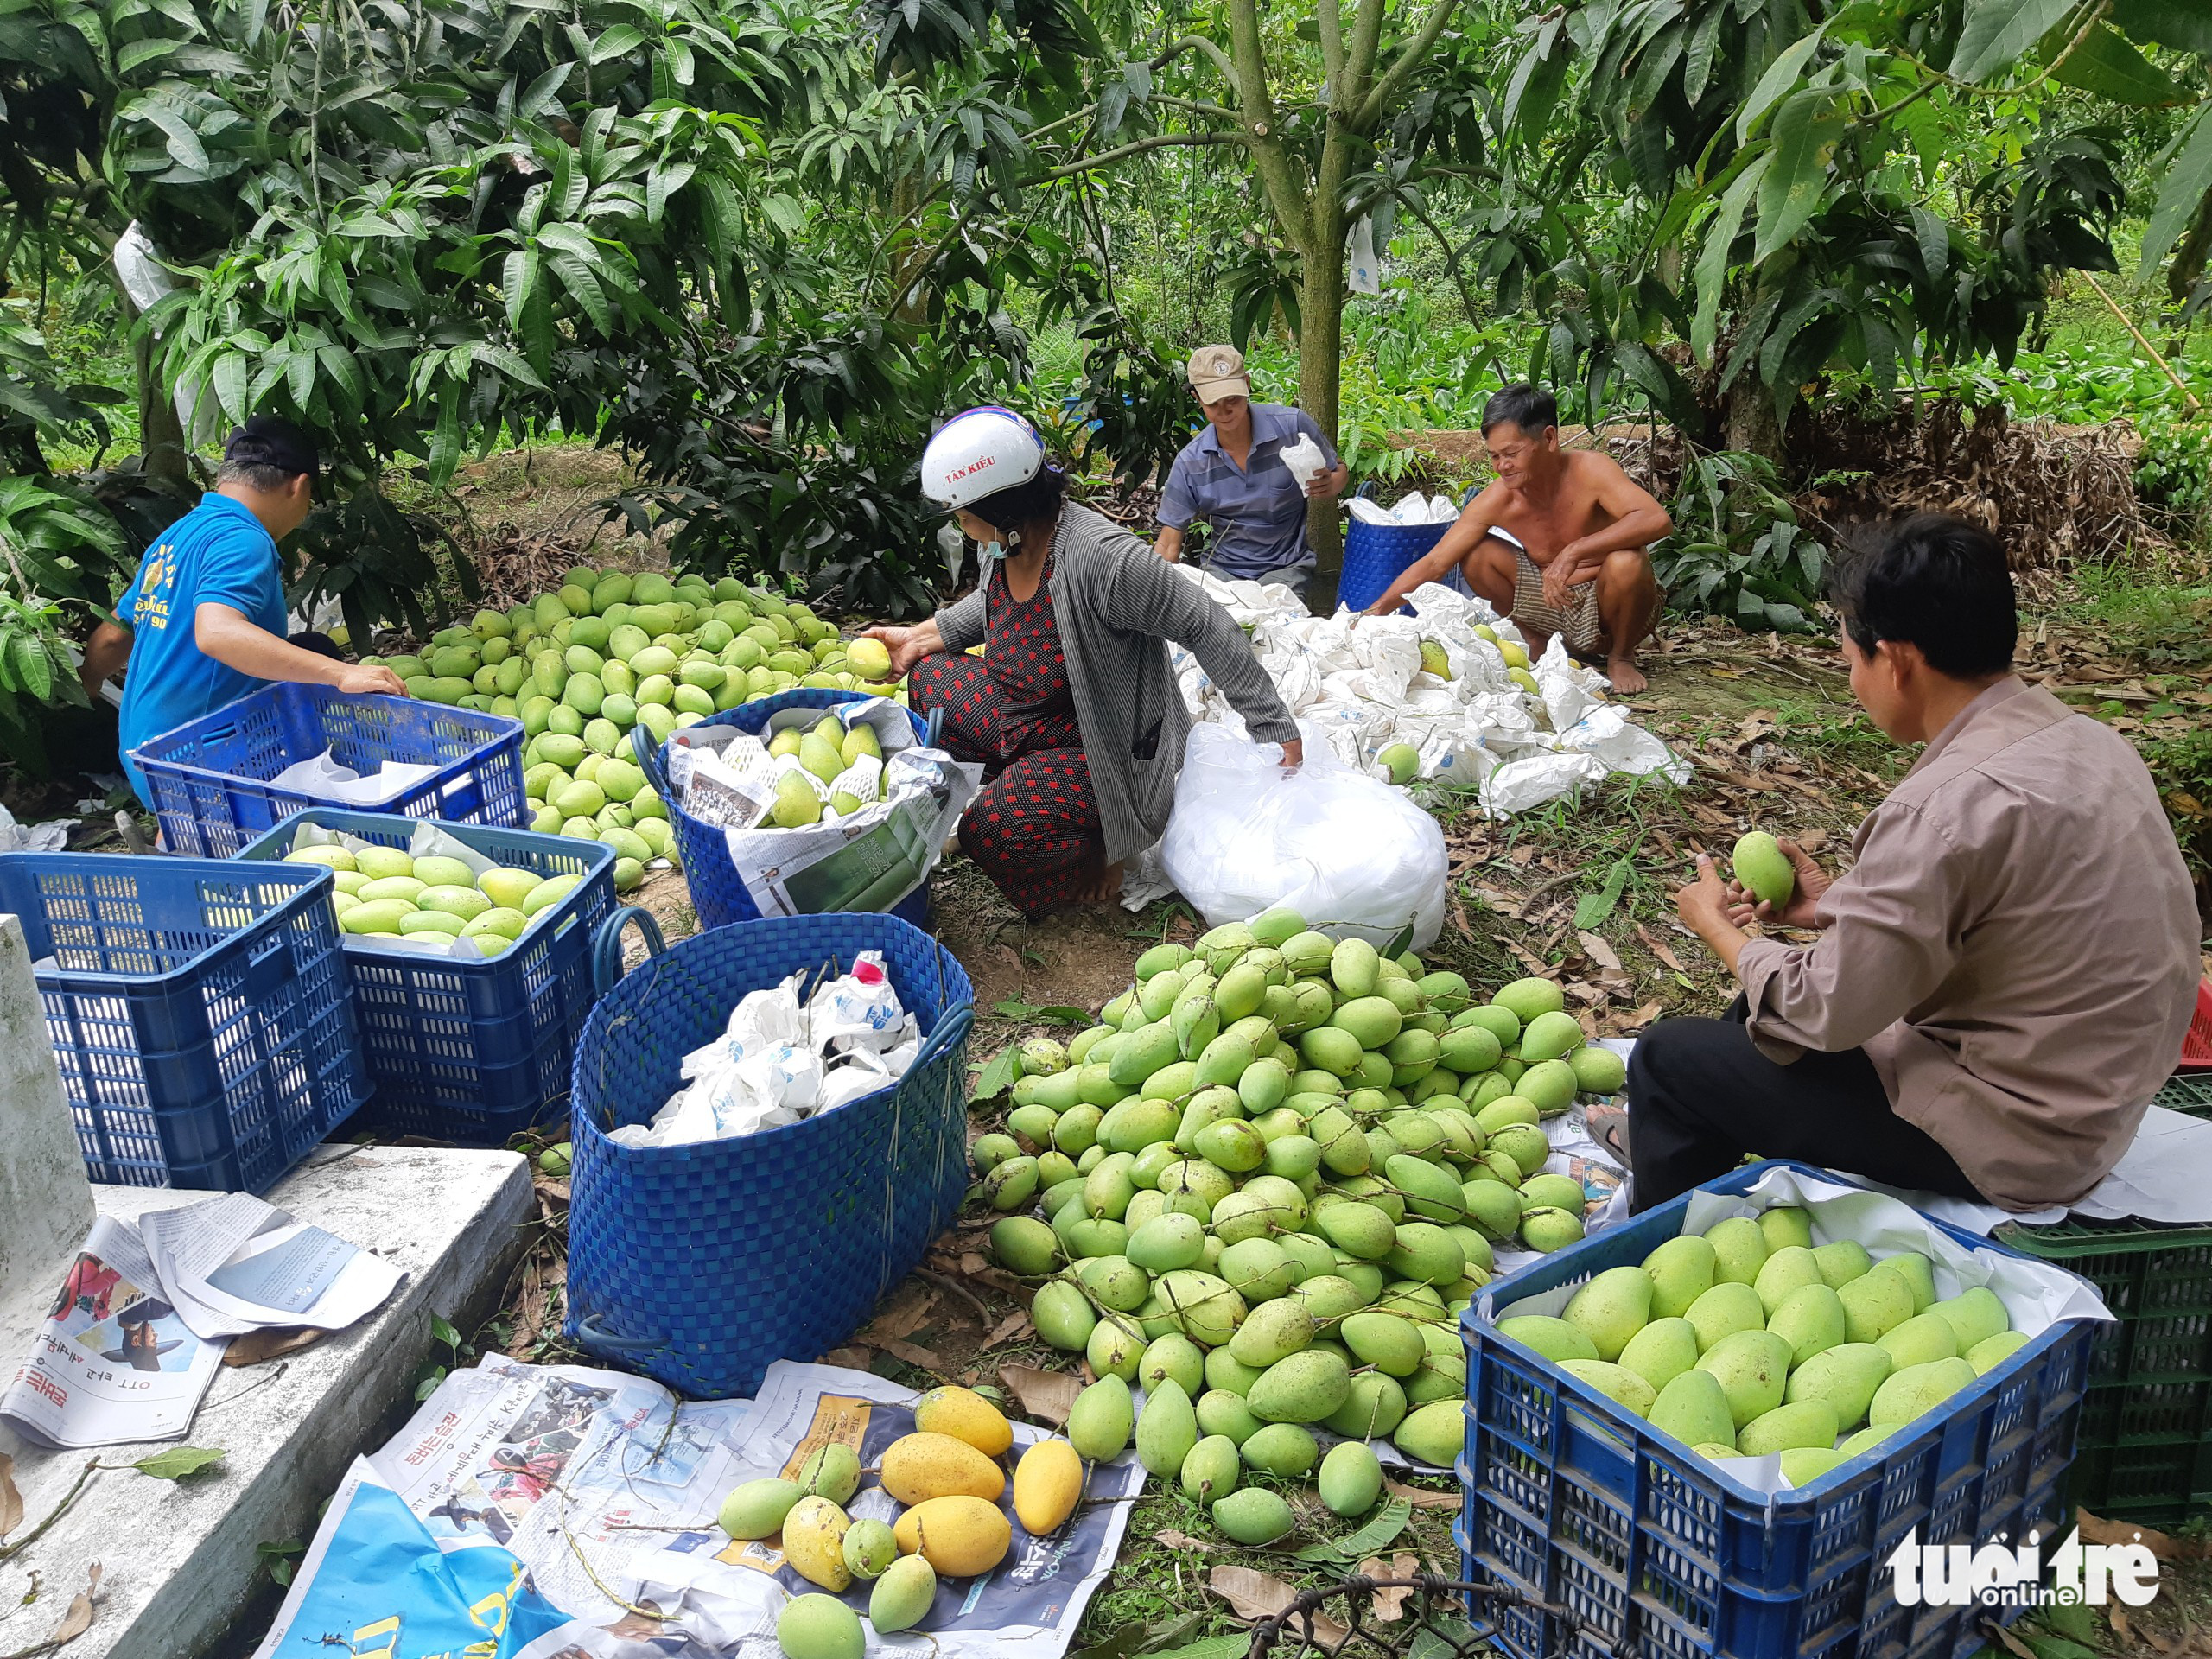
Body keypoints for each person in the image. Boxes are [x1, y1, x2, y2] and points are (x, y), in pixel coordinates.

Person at [1591, 516, 2199, 1213]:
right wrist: (1832, 908)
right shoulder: (2086, 741)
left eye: (1851, 657)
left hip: (2014, 1139)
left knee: (1669, 1061)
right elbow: (2008, 910)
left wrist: (1722, 931)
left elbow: (1827, 1012)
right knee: (1751, 1013)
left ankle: (1660, 1249)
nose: (1852, 678)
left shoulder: (1940, 807)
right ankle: (1679, 1143)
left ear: (1897, 660)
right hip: (2090, 1106)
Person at [865, 406, 1301, 919]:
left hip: (1107, 749)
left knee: (992, 830)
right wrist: (920, 637)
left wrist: (1273, 724)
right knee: (930, 680)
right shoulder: (1004, 544)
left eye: (963, 511)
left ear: (1005, 506)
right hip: (1031, 715)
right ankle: (1029, 789)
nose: (958, 522)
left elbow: (1205, 622)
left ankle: (1099, 842)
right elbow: (991, 606)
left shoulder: (1102, 560)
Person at [78, 416, 406, 802]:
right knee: (325, 674)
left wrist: (88, 681)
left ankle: (173, 831)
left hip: (143, 754)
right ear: (299, 486)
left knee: (314, 646)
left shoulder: (178, 534)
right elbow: (217, 632)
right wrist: (341, 675)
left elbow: (116, 632)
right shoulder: (243, 539)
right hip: (197, 760)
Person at [1361, 385, 1667, 692]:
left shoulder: (1592, 470)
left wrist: (1573, 552)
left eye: (1511, 453)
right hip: (1552, 605)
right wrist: (1378, 610)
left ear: (1549, 438)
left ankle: (1621, 657)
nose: (1502, 466)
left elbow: (1656, 519)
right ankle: (1536, 641)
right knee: (1476, 555)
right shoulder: (1499, 498)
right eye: (1494, 456)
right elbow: (1436, 562)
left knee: (1627, 560)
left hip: (1614, 608)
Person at [1154, 346, 1349, 597]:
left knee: (1275, 627)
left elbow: (1339, 470)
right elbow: (1168, 544)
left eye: (1232, 399)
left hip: (1286, 569)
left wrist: (1332, 484)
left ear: (1246, 384)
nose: (1224, 411)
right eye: (1213, 403)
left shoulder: (1292, 427)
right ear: (1196, 398)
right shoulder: (1190, 463)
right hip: (1221, 573)